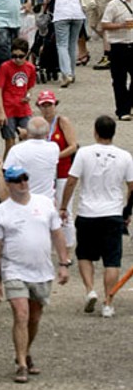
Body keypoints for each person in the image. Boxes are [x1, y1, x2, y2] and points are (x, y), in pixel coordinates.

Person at [0, 162, 71, 382]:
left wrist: (64, 263)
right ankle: (22, 363)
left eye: (25, 178)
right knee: (21, 314)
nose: (23, 183)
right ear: (9, 184)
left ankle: (25, 351)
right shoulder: (1, 212)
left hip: (41, 269)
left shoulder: (44, 204)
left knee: (34, 317)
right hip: (13, 269)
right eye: (17, 180)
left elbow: (57, 234)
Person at [59, 114, 133, 319]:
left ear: (95, 131)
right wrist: (127, 210)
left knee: (84, 255)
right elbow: (131, 186)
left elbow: (72, 181)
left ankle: (90, 289)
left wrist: (64, 206)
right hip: (112, 212)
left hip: (88, 212)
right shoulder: (124, 156)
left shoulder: (84, 154)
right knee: (112, 260)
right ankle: (108, 301)